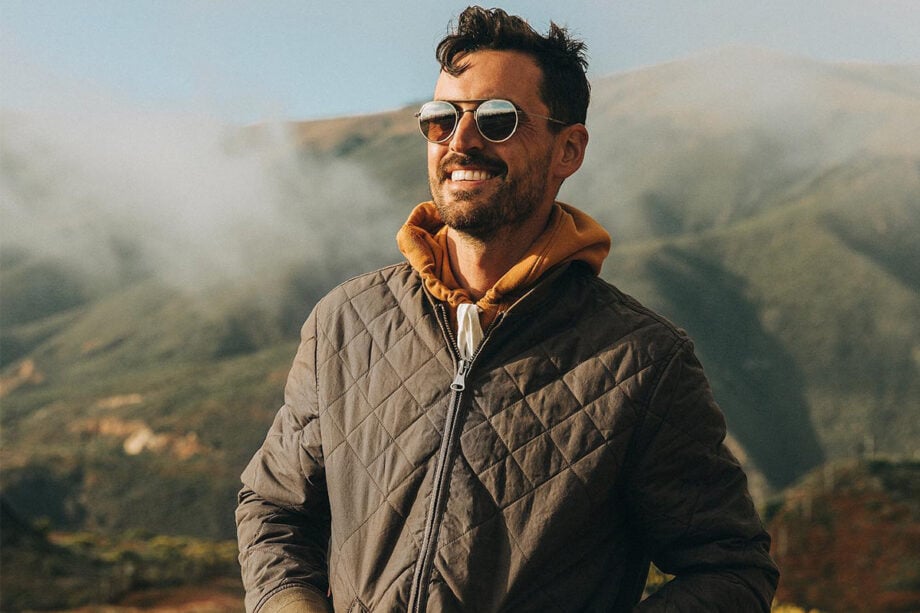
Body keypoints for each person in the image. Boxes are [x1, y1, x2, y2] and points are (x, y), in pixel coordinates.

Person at [236, 6, 779, 612]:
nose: (461, 141)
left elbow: (731, 570)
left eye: (498, 119)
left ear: (567, 150)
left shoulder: (641, 360)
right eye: (441, 119)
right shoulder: (345, 321)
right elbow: (273, 508)